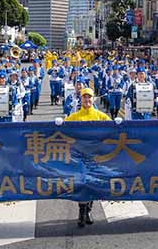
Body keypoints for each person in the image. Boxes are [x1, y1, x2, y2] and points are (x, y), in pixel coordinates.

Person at [64, 88, 111, 227]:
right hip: (79, 157)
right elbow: (62, 129)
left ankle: (89, 210)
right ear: (81, 99)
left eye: (89, 97)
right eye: (84, 97)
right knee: (82, 184)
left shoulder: (100, 116)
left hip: (96, 157)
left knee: (93, 184)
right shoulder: (74, 116)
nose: (87, 100)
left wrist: (118, 123)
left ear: (93, 99)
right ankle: (81, 212)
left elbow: (113, 128)